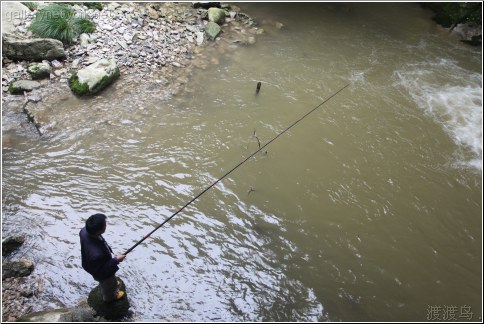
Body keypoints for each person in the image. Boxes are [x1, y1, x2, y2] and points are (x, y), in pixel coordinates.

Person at [79, 213, 126, 302]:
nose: (106, 225)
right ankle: (111, 298)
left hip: (90, 264)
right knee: (108, 284)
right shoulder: (96, 254)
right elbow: (102, 270)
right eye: (104, 225)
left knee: (111, 281)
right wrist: (116, 260)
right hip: (101, 272)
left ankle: (111, 284)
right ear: (98, 231)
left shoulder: (84, 231)